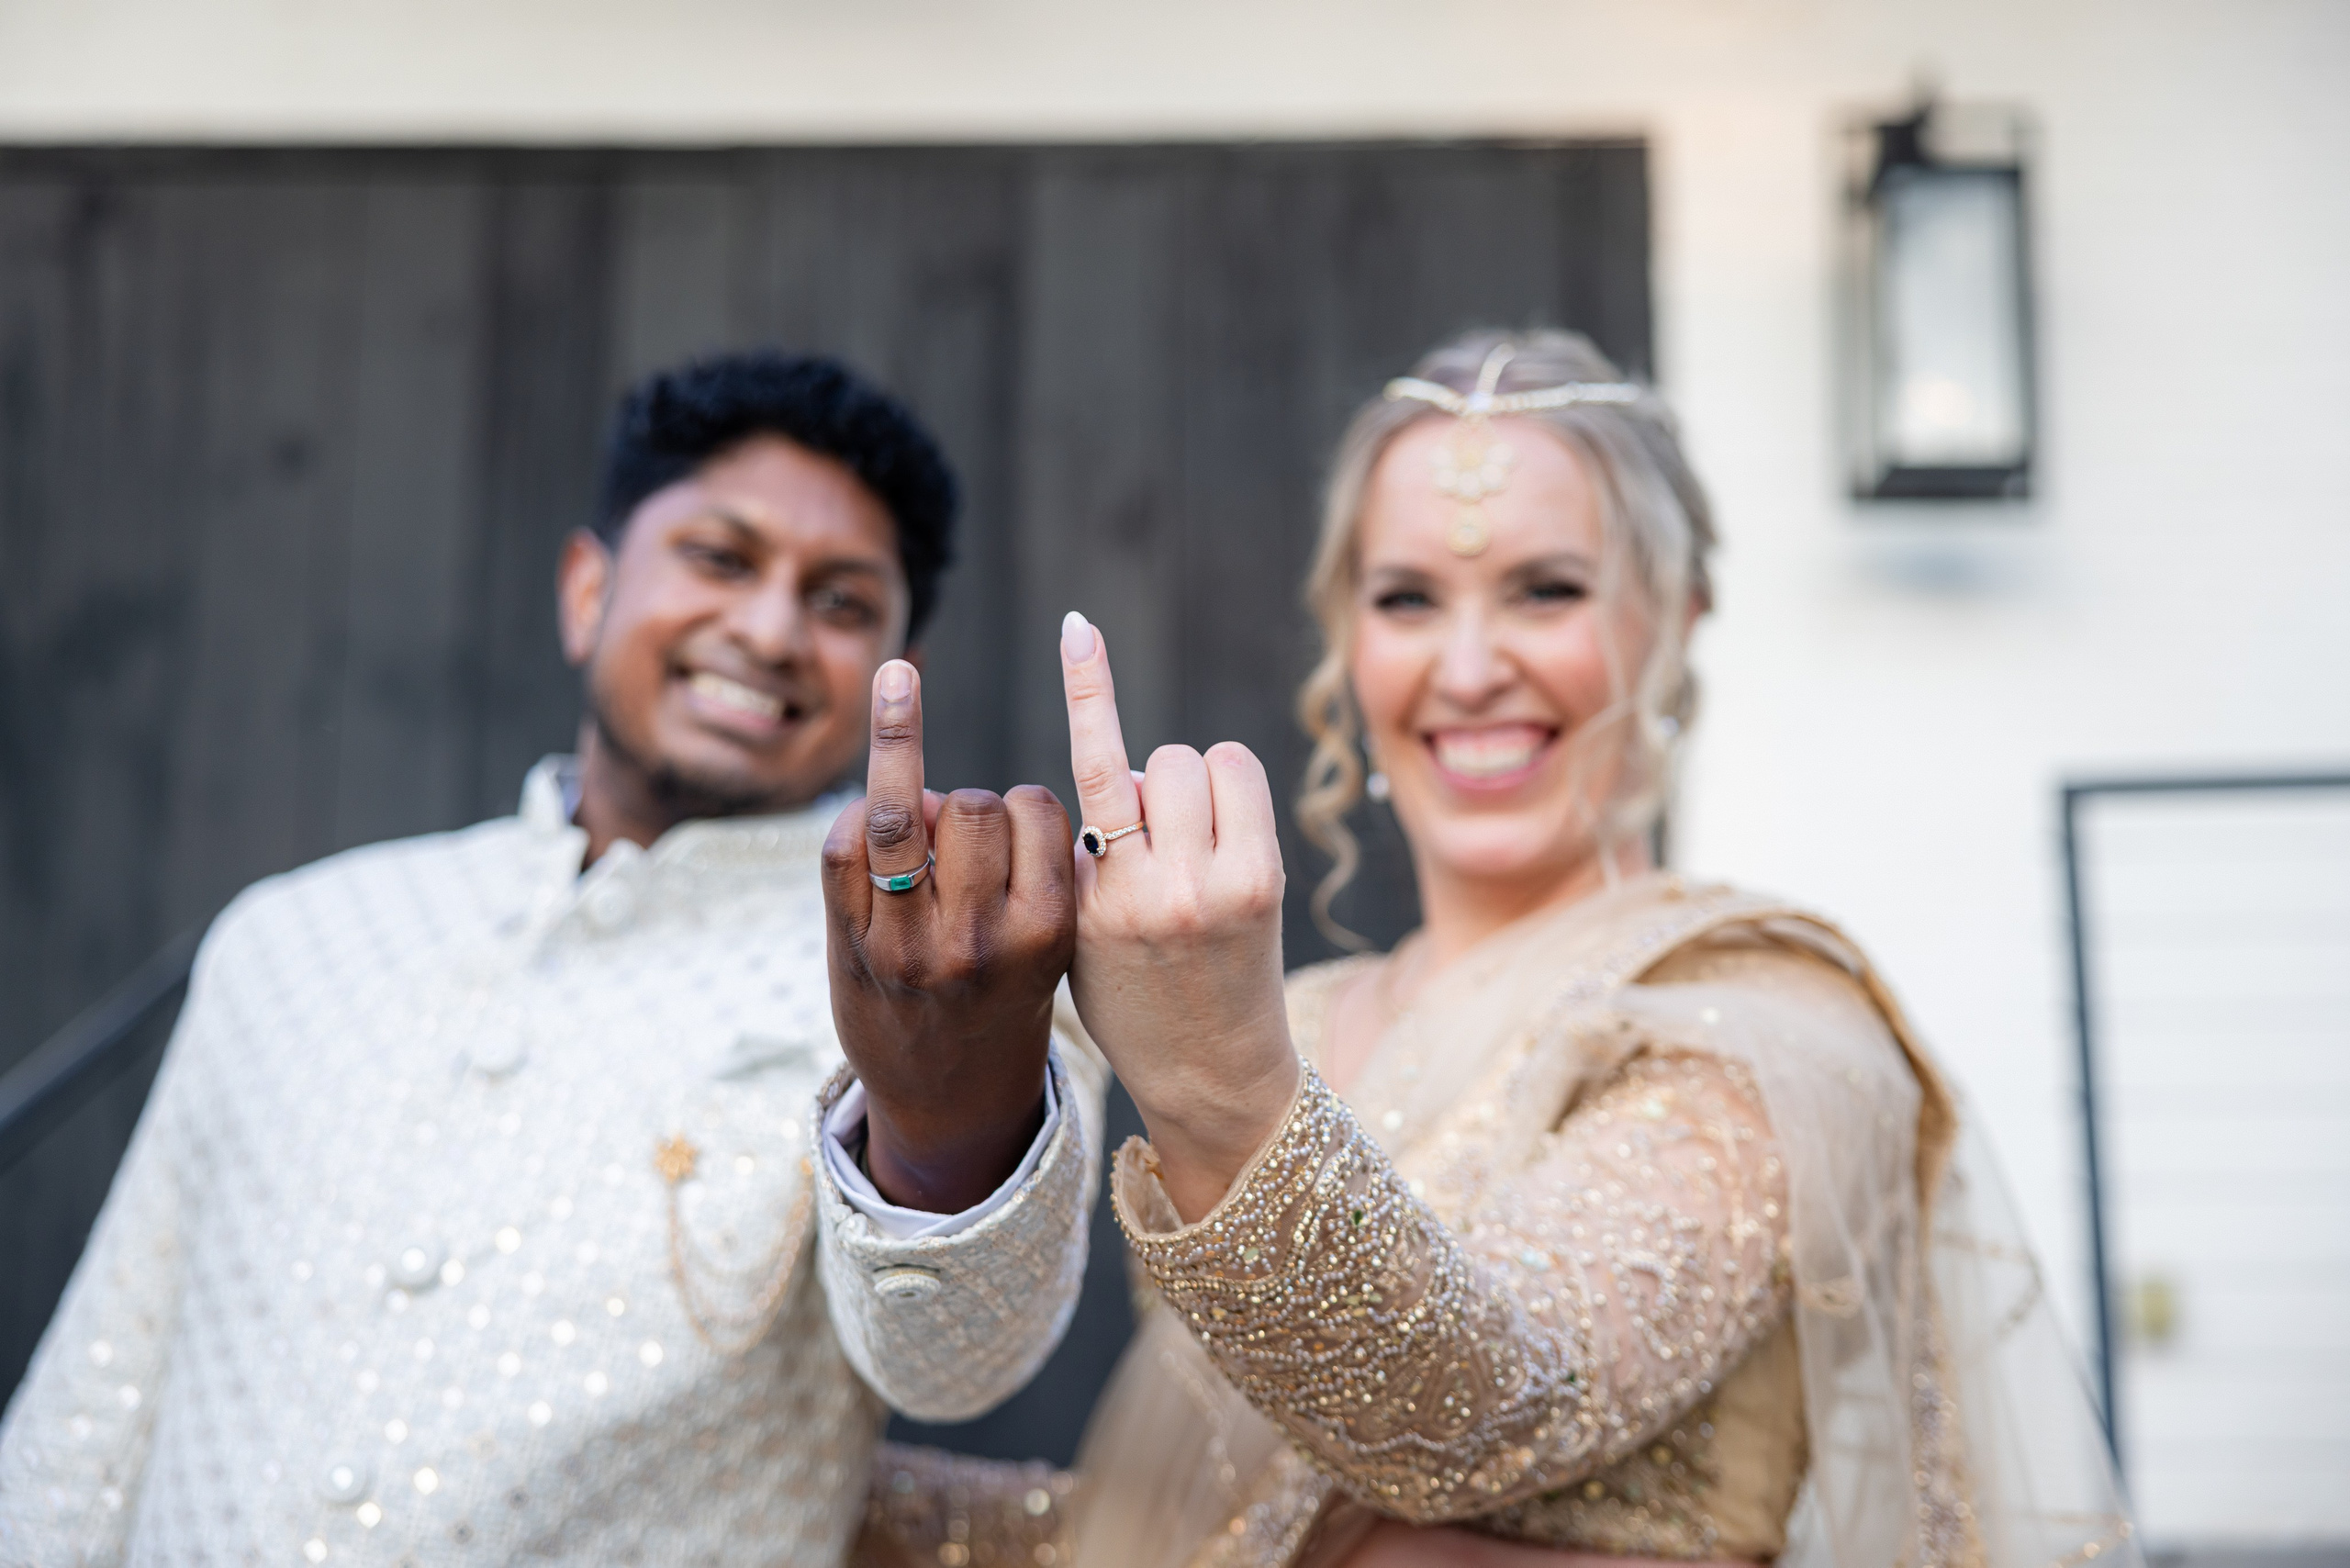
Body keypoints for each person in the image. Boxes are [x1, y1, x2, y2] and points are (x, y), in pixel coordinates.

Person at [1043, 330, 2135, 1568]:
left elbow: (1481, 1412)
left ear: (1678, 616)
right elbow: (1201, 1528)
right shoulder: (1291, 1018)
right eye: (1407, 598)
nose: (1467, 669)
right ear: (1348, 639)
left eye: (1546, 589)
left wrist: (1225, 1098)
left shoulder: (1756, 1017)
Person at [0, 352, 1103, 1566]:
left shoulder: (947, 962)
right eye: (721, 559)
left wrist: (941, 1109)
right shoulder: (295, 935)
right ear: (588, 592)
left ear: (900, 675)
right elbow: (94, 1408)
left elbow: (957, 1364)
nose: (771, 627)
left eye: (843, 603)